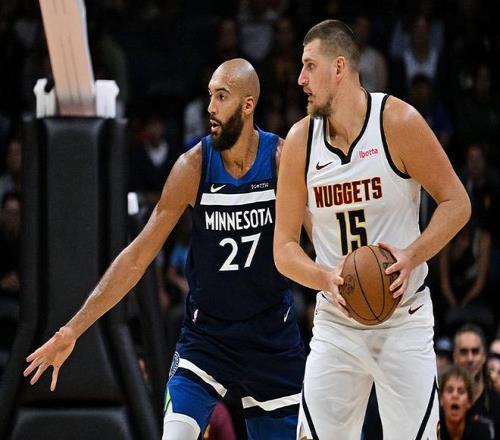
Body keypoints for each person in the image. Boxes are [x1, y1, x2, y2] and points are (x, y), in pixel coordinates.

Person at [24, 58, 306, 440]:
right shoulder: (193, 166)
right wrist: (72, 329)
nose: (210, 107)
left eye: (222, 97)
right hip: (208, 338)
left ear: (247, 104)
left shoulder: (281, 159)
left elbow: (321, 238)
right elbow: (137, 256)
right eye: (210, 96)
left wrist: (341, 283)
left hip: (271, 337)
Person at [273, 19, 471, 439]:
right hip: (336, 323)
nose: (300, 79)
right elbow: (284, 249)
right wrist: (326, 278)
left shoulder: (398, 122)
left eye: (309, 66)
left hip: (403, 317)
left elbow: (458, 203)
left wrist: (412, 254)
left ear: (339, 68)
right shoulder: (300, 142)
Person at [453, 324, 500, 436]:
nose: (470, 359)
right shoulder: (443, 404)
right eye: (463, 352)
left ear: (484, 356)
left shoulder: (497, 405)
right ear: (455, 357)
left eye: (475, 351)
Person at [439, 364, 493, 439]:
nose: (455, 395)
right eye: (450, 390)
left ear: (469, 402)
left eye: (461, 391)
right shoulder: (432, 429)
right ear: (441, 399)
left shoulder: (482, 431)